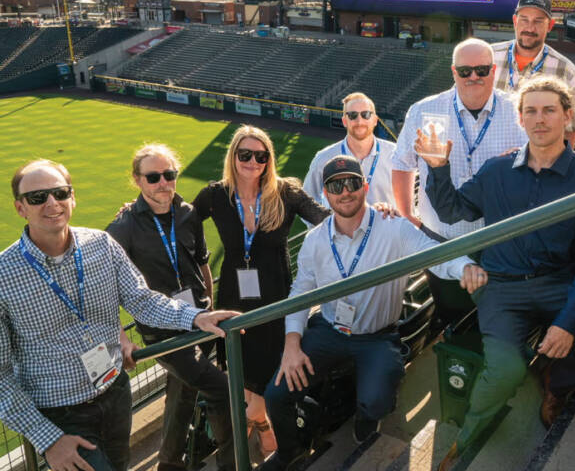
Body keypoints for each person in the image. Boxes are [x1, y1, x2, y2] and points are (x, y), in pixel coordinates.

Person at [416, 75, 575, 470]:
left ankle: (557, 381)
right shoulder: (497, 171)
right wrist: (438, 167)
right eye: (531, 110)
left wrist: (566, 324)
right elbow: (452, 211)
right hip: (503, 289)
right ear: (520, 118)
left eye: (550, 110)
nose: (540, 119)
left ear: (567, 117)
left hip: (559, 286)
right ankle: (465, 443)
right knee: (506, 370)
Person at [0, 159, 238, 471]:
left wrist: (194, 317)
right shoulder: (5, 274)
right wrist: (48, 438)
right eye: (37, 197)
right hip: (61, 415)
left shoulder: (101, 244)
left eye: (59, 193)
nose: (51, 203)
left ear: (72, 198)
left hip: (115, 392)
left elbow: (142, 300)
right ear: (21, 208)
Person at [260, 156, 476, 470]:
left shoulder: (394, 227)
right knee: (276, 394)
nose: (344, 192)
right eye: (336, 185)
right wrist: (291, 345)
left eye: (351, 183)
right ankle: (289, 451)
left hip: (378, 336)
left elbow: (435, 254)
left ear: (365, 186)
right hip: (329, 332)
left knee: (377, 400)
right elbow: (299, 297)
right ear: (325, 193)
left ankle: (365, 414)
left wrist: (464, 266)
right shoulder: (314, 241)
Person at [192, 125, 329, 458]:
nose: (253, 161)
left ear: (269, 159)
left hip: (275, 297)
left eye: (261, 155)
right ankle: (259, 421)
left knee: (269, 365)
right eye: (245, 154)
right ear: (234, 156)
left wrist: (372, 214)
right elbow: (181, 224)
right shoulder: (215, 195)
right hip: (234, 299)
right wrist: (136, 208)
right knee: (240, 362)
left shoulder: (286, 193)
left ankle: (256, 419)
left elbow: (327, 219)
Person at [107, 145, 234, 471]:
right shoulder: (123, 227)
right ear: (137, 180)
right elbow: (102, 290)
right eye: (153, 177)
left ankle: (168, 464)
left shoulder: (188, 213)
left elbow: (202, 264)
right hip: (163, 333)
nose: (163, 183)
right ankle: (232, 462)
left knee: (182, 397)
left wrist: (209, 303)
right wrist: (122, 338)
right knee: (223, 389)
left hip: (200, 322)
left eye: (169, 174)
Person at [392, 38, 527, 239]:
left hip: (500, 238)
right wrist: (407, 215)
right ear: (454, 72)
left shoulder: (519, 109)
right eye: (465, 71)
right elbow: (402, 164)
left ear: (493, 70)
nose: (473, 76)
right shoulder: (423, 110)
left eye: (481, 70)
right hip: (438, 235)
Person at [491, 0, 575, 141]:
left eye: (538, 21)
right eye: (524, 20)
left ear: (550, 25)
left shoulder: (566, 70)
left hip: (538, 162)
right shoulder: (489, 57)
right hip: (491, 158)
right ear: (515, 21)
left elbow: (570, 131)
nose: (530, 28)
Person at [303, 92, 396, 212]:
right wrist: (326, 227)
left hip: (386, 229)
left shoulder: (396, 155)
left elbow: (411, 203)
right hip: (341, 230)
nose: (359, 121)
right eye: (352, 115)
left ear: (375, 120)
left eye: (366, 114)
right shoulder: (323, 158)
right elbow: (307, 202)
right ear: (344, 121)